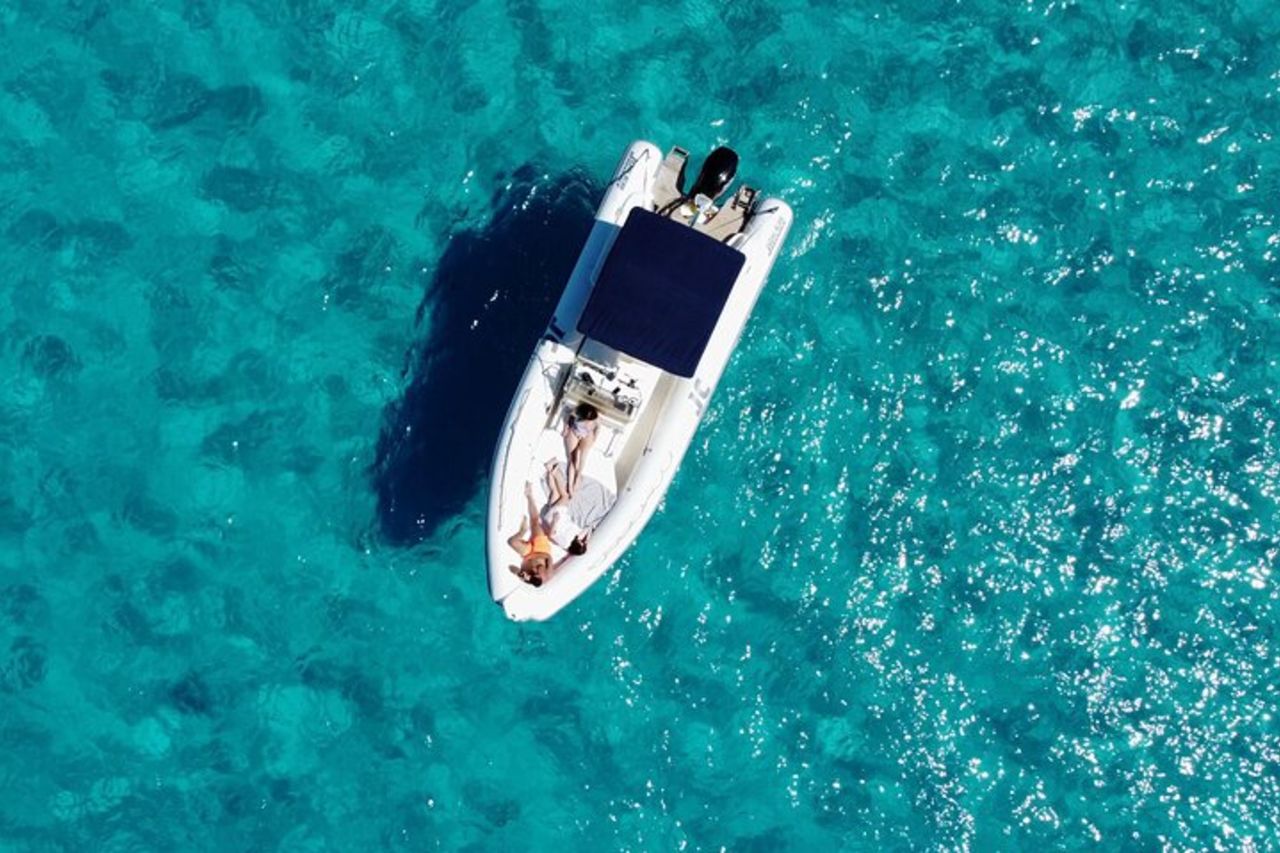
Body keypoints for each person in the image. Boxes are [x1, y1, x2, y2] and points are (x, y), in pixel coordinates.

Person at [506, 483, 556, 587]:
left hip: (527, 554)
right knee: (535, 522)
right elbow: (549, 557)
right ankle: (529, 495)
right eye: (538, 572)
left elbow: (511, 568)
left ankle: (522, 531)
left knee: (511, 542)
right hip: (542, 549)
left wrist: (519, 573)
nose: (535, 571)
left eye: (534, 573)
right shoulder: (548, 574)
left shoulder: (527, 578)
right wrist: (537, 556)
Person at [541, 460, 592, 556]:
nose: (583, 541)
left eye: (582, 543)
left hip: (556, 517)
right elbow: (588, 529)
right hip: (553, 516)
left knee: (565, 496)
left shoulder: (566, 542)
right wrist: (587, 540)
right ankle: (549, 470)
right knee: (554, 492)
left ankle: (554, 471)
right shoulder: (571, 540)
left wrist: (555, 521)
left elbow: (551, 535)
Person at [561, 402, 599, 496]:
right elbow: (569, 417)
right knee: (572, 459)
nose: (587, 421)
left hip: (587, 434)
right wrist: (566, 429)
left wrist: (595, 437)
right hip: (575, 431)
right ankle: (570, 485)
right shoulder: (577, 412)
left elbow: (598, 427)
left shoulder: (596, 417)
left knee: (583, 456)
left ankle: (578, 476)